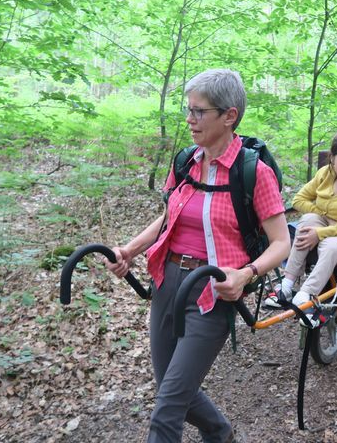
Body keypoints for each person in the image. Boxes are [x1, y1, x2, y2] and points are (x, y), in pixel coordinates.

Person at [105, 69, 290, 443]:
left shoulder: (254, 172)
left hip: (212, 293)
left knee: (168, 407)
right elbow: (169, 216)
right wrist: (129, 249)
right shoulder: (186, 161)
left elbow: (282, 242)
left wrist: (245, 274)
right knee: (172, 388)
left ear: (229, 116)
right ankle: (219, 432)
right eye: (187, 110)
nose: (189, 120)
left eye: (199, 111)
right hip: (167, 282)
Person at [263, 130, 337, 322]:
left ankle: (305, 294)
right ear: (332, 158)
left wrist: (322, 233)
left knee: (332, 246)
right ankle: (287, 284)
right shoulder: (325, 174)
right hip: (323, 220)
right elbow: (299, 199)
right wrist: (323, 215)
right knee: (308, 220)